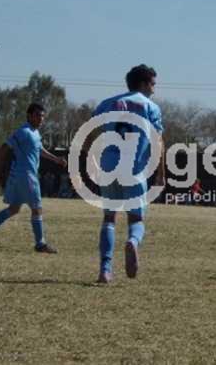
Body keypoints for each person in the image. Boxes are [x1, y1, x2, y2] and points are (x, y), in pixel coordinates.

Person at [92, 64, 165, 284]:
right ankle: (132, 241)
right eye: (153, 84)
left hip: (109, 166)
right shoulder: (151, 107)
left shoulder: (107, 103)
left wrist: (93, 161)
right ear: (143, 84)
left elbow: (92, 134)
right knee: (136, 219)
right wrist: (161, 173)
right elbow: (158, 143)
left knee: (109, 218)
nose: (154, 89)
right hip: (133, 169)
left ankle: (105, 270)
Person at [0, 103, 67, 253]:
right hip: (26, 175)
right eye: (38, 115)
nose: (41, 119)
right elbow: (4, 148)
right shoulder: (23, 132)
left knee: (14, 209)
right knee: (37, 209)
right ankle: (40, 244)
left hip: (21, 176)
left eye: (43, 116)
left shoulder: (35, 133)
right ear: (29, 116)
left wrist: (56, 159)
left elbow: (39, 149)